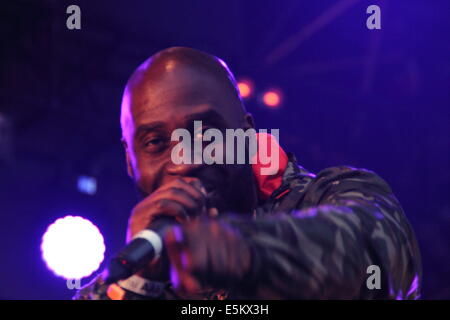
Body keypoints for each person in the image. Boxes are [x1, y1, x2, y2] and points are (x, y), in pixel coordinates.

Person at [74, 47, 421, 300]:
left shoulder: (333, 194)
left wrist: (243, 250)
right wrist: (142, 285)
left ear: (247, 136)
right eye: (156, 142)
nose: (183, 161)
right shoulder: (127, 276)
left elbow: (379, 254)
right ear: (130, 160)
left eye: (205, 134)